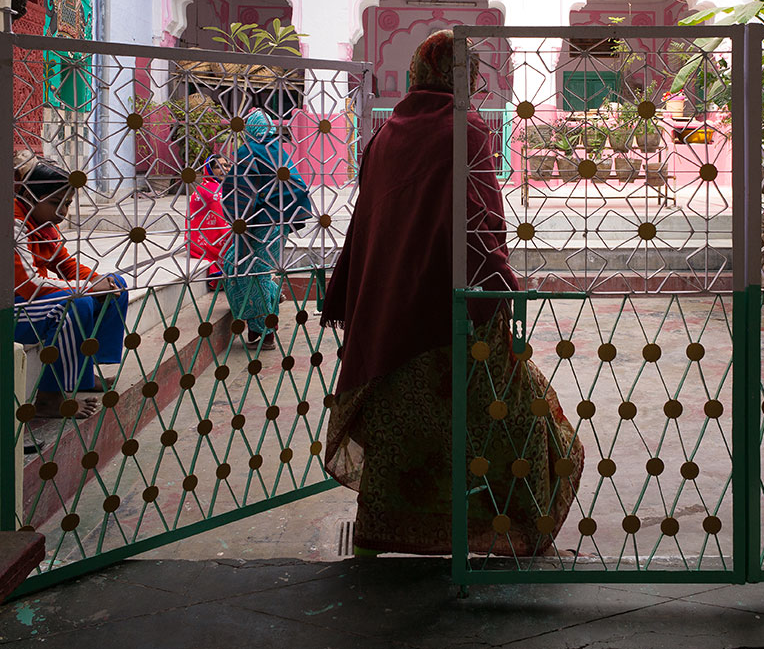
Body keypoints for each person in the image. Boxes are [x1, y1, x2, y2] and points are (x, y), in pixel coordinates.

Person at [322, 29, 584, 557]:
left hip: (389, 310)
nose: (480, 84)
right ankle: (505, 533)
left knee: (407, 436)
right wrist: (501, 287)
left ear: (419, 73)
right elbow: (481, 223)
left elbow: (366, 224)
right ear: (459, 76)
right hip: (449, 313)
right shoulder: (466, 129)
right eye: (475, 74)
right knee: (518, 429)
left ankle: (386, 531)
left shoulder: (386, 133)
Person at [13, 152, 128, 418]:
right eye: (56, 203)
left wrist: (98, 280)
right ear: (30, 196)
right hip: (15, 308)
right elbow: (29, 286)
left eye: (67, 204)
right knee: (76, 303)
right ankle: (48, 398)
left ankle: (83, 376)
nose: (62, 213)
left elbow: (65, 264)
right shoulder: (15, 223)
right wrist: (85, 289)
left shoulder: (43, 222)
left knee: (115, 286)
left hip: (33, 301)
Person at [221, 109, 313, 350]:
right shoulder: (278, 151)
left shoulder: (248, 151)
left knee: (248, 269)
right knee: (249, 266)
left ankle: (262, 331)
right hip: (282, 220)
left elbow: (238, 191)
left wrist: (235, 219)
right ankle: (270, 301)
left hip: (261, 221)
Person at [187, 154, 230, 291]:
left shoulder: (219, 186)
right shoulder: (212, 191)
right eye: (219, 167)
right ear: (209, 170)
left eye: (227, 165)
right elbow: (220, 222)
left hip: (206, 234)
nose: (225, 169)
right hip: (204, 238)